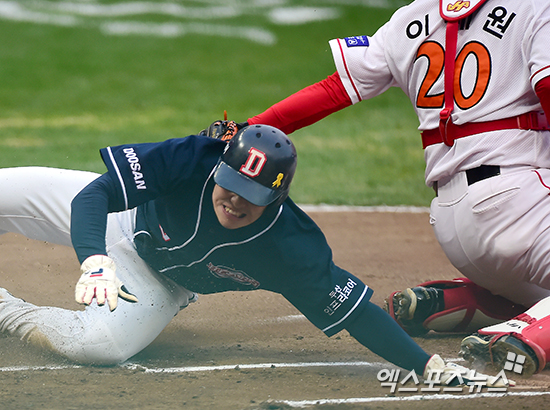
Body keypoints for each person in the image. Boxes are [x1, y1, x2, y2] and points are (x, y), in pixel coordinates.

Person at [0, 125, 504, 386]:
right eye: (231, 184)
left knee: (100, 347)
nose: (235, 200)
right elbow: (95, 196)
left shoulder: (291, 247)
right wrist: (93, 258)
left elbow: (356, 315)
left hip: (160, 280)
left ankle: (6, 310)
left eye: (253, 195)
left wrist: (425, 365)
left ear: (278, 199)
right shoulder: (193, 158)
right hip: (126, 219)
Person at [224, 0, 550, 377]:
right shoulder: (535, 7)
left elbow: (334, 89)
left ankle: (466, 301)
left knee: (528, 283)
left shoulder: (412, 17)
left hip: (454, 224)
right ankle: (526, 334)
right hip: (521, 204)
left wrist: (248, 129)